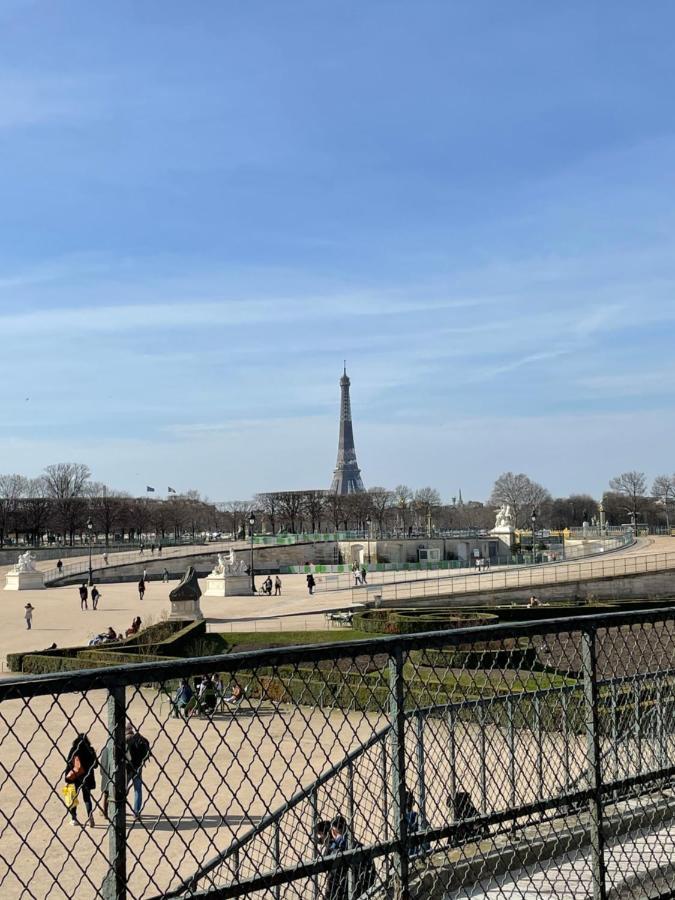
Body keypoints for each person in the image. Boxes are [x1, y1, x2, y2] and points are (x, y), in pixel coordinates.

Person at [64, 732, 98, 827]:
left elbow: (69, 763)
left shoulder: (74, 750)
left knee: (73, 797)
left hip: (75, 778)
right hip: (87, 778)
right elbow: (95, 765)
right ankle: (90, 815)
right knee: (87, 798)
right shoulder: (90, 750)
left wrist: (67, 778)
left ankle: (74, 818)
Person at [125, 723, 150, 819]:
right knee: (138, 790)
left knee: (123, 789)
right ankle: (136, 811)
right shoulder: (140, 739)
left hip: (127, 768)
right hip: (138, 767)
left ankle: (121, 810)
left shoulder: (126, 740)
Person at [99, 735, 112, 819]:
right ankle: (107, 812)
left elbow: (102, 764)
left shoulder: (104, 750)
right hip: (112, 776)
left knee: (106, 795)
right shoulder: (114, 750)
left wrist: (102, 773)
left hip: (106, 776)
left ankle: (105, 813)